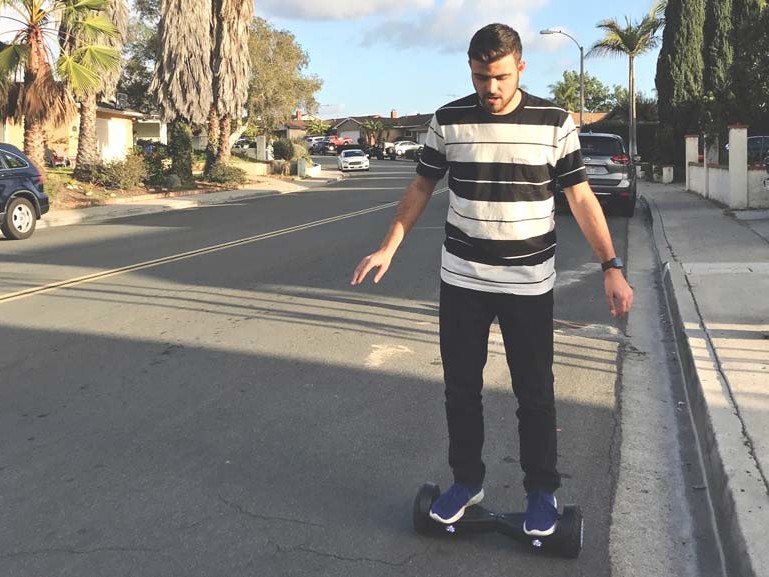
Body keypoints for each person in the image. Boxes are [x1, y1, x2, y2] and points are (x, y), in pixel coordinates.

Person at [351, 23, 633, 536]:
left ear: (520, 67)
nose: (491, 89)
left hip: (528, 283)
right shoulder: (448, 120)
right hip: (463, 279)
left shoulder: (554, 121)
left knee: (535, 393)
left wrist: (611, 267)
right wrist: (390, 245)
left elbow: (580, 197)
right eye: (481, 77)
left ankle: (542, 490)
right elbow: (420, 186)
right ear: (471, 70)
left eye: (500, 76)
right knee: (461, 388)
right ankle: (466, 482)